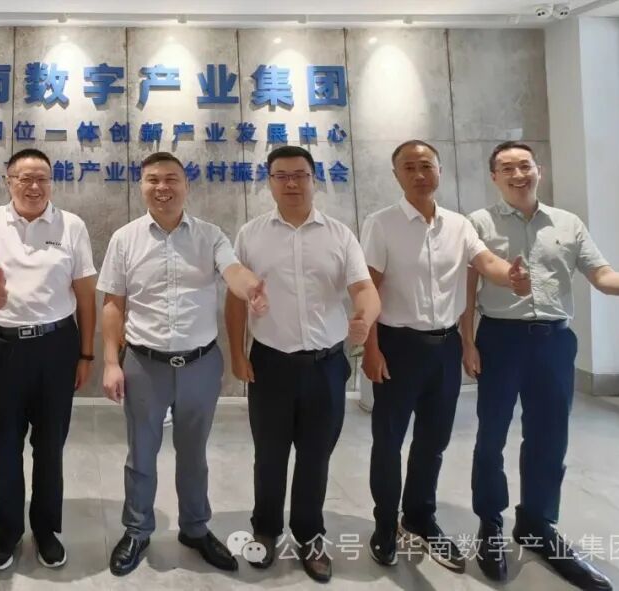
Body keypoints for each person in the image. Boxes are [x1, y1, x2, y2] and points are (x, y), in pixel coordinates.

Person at [462, 141, 619, 590]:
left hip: (554, 343)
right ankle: (490, 524)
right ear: (494, 177)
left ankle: (537, 524)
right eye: (506, 168)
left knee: (549, 438)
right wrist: (467, 343)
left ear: (538, 169)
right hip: (499, 340)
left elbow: (602, 276)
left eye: (524, 165)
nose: (518, 174)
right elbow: (468, 289)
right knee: (491, 436)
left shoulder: (568, 223)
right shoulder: (478, 223)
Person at [360, 139, 530, 571]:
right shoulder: (381, 224)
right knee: (388, 441)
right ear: (396, 175)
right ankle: (385, 524)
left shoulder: (458, 224)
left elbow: (485, 262)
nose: (419, 174)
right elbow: (368, 291)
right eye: (409, 167)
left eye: (427, 166)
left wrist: (509, 275)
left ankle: (419, 516)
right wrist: (370, 349)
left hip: (445, 346)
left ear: (439, 170)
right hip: (397, 345)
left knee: (433, 441)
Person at [100, 151, 269, 577]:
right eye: (153, 179)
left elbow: (233, 271)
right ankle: (137, 530)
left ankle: (195, 528)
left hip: (200, 364)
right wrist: (110, 362)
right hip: (144, 364)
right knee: (141, 454)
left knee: (194, 454)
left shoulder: (210, 236)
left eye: (171, 179)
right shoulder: (125, 239)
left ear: (186, 185)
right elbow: (113, 304)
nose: (162, 187)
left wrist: (251, 288)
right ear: (142, 186)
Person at [225, 146, 380, 582]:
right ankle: (265, 529)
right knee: (269, 456)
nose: (291, 183)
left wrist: (364, 317)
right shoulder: (251, 235)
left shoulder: (339, 235)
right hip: (270, 365)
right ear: (269, 182)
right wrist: (237, 353)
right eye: (281, 175)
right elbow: (235, 300)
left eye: (300, 175)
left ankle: (310, 534)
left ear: (314, 180)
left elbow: (364, 289)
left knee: (316, 457)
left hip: (325, 367)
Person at [0, 148, 97, 570]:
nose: (33, 186)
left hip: (56, 347)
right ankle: (7, 533)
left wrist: (86, 354)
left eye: (42, 178)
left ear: (52, 182)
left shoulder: (71, 225)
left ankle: (45, 530)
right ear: (9, 181)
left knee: (50, 444)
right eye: (24, 178)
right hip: (3, 348)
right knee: (6, 443)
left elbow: (85, 296)